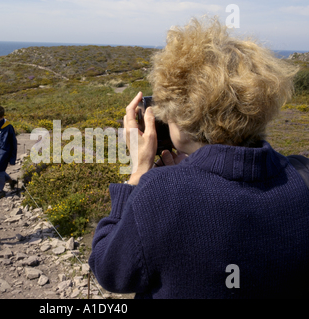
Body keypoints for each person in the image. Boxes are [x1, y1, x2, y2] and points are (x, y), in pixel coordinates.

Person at [89, 17, 309, 299]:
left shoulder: (161, 192)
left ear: (183, 112)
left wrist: (139, 173)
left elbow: (110, 270)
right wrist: (193, 172)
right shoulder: (300, 177)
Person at [0, 105, 18, 200]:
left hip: (4, 153)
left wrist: (13, 158)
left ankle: (0, 191)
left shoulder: (8, 127)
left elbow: (13, 143)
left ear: (2, 117)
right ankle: (11, 181)